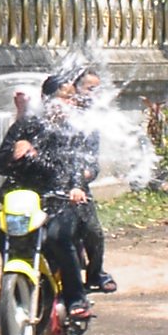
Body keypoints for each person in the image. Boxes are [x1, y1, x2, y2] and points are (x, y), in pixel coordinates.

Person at [0, 73, 92, 322]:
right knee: (1, 233)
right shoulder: (26, 126)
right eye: (62, 97)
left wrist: (77, 187)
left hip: (60, 198)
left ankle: (76, 296)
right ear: (46, 99)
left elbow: (77, 166)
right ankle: (8, 295)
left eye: (71, 98)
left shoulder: (75, 130)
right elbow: (1, 164)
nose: (67, 103)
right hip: (26, 198)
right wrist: (14, 155)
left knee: (58, 236)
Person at [69, 68, 116, 295]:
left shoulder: (91, 122)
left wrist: (84, 176)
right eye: (90, 89)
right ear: (74, 89)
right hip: (54, 184)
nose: (94, 95)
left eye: (98, 90)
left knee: (93, 232)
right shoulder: (59, 115)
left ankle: (95, 273)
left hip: (79, 185)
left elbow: (93, 162)